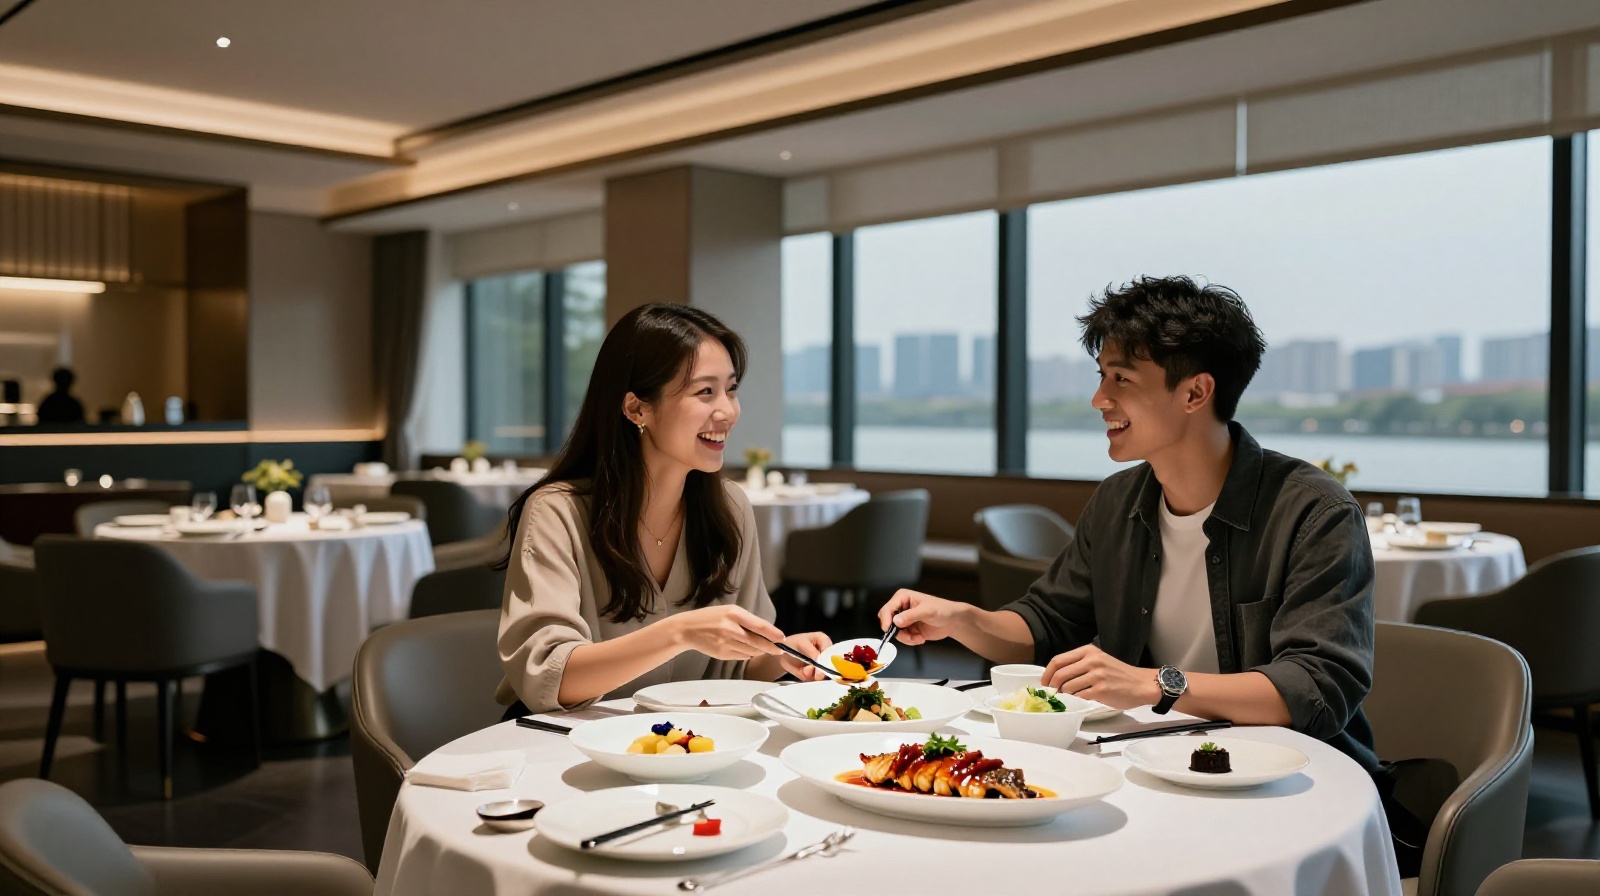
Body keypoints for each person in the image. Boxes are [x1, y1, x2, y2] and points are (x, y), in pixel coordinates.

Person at [878, 275, 1379, 774]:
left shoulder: (1315, 513)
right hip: (1152, 760)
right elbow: (1046, 624)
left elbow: (1315, 688)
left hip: (1290, 777)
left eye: (1121, 379)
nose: (1099, 399)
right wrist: (963, 619)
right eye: (1101, 377)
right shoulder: (1118, 501)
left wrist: (1155, 684)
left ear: (1195, 393)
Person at [494, 303, 832, 715]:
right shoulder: (556, 513)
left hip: (684, 746)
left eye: (731, 388)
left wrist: (780, 656)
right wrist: (679, 633)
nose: (727, 411)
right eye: (705, 392)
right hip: (563, 747)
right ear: (637, 408)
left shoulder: (730, 509)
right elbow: (550, 677)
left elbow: (736, 666)